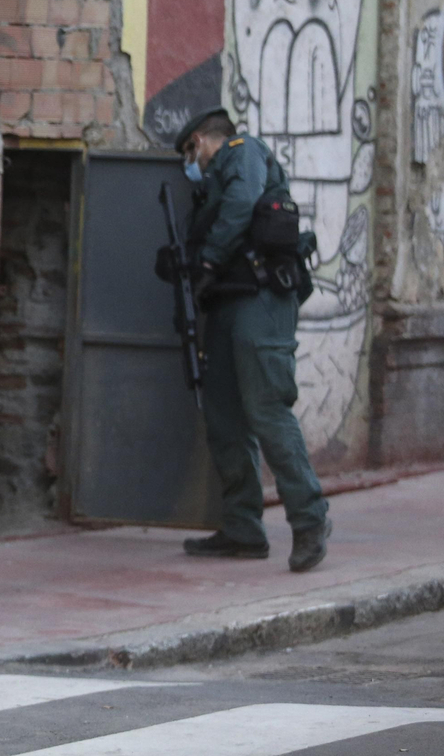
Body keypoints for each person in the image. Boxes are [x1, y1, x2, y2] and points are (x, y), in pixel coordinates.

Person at [169, 107, 331, 573]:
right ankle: (242, 528)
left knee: (265, 409)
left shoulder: (244, 152)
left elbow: (242, 204)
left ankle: (310, 519)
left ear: (201, 140)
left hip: (261, 301)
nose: (191, 164)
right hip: (229, 303)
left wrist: (208, 261)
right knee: (223, 413)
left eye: (189, 153)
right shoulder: (214, 179)